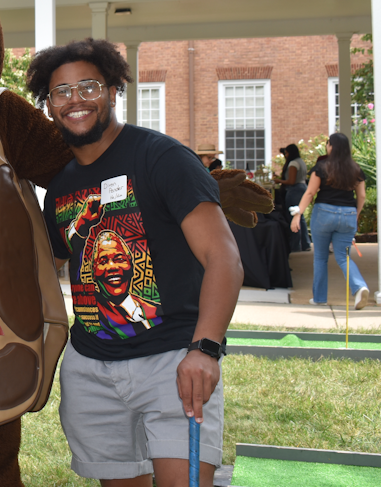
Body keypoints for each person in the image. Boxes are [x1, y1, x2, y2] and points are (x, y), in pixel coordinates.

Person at [27, 39, 243, 487]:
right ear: (49, 107)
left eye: (87, 86)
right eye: (60, 92)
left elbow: (223, 257)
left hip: (172, 363)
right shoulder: (61, 189)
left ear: (112, 89)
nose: (75, 100)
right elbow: (46, 264)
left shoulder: (161, 158)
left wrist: (205, 349)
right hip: (91, 370)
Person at [290, 132, 371, 309]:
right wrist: (354, 215)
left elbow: (310, 192)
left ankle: (319, 298)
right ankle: (359, 287)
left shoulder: (322, 167)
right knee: (343, 256)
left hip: (324, 213)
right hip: (348, 214)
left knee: (320, 258)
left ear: (331, 147)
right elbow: (362, 196)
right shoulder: (356, 169)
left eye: (328, 143)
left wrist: (298, 214)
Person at [275, 143, 310, 252]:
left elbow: (291, 181)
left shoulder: (293, 163)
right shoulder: (301, 161)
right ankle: (305, 243)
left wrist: (278, 181)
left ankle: (295, 245)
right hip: (303, 187)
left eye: (286, 153)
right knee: (300, 216)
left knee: (293, 216)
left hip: (294, 190)